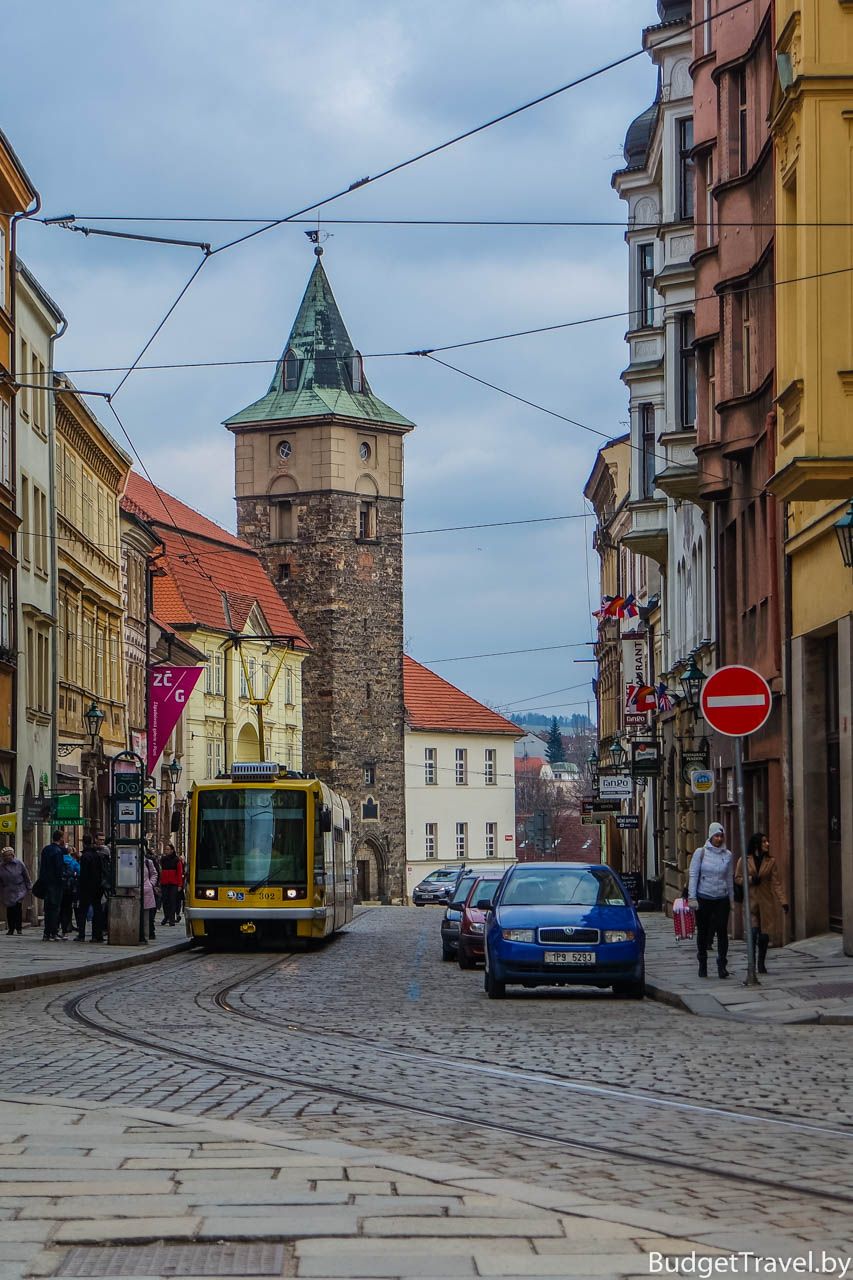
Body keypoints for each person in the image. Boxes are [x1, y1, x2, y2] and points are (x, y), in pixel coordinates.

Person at [736, 832, 789, 974]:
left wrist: (783, 901)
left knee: (764, 936)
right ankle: (751, 962)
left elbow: (776, 883)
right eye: (764, 841)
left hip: (766, 903)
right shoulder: (744, 860)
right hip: (751, 902)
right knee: (753, 933)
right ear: (756, 844)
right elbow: (738, 878)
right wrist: (751, 880)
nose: (767, 844)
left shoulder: (770, 861)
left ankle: (761, 962)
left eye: (767, 841)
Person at [688, 821, 734, 980]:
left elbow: (729, 878)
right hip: (703, 897)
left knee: (722, 930)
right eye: (716, 835)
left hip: (721, 897)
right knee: (703, 931)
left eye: (721, 836)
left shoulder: (727, 855)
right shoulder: (700, 853)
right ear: (710, 836)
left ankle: (722, 964)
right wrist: (692, 897)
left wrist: (732, 898)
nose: (719, 839)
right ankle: (702, 962)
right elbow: (693, 875)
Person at [76, 834, 107, 942]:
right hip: (97, 887)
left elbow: (83, 874)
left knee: (82, 911)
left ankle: (81, 935)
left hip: (86, 887)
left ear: (83, 843)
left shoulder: (85, 856)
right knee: (97, 910)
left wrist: (80, 887)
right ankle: (97, 935)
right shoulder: (97, 855)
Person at [38, 830, 67, 941]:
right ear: (60, 839)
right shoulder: (58, 851)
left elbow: (43, 867)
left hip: (46, 883)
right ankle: (53, 933)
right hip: (55, 884)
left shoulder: (46, 849)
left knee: (47, 909)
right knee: (55, 909)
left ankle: (46, 933)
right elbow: (59, 869)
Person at [0, 846, 30, 935]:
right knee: (10, 909)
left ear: (12, 855)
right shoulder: (1, 866)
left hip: (18, 889)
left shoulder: (19, 863)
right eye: (4, 856)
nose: (6, 857)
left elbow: (26, 875)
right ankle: (11, 928)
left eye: (8, 855)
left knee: (17, 908)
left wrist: (29, 886)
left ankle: (19, 928)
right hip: (7, 890)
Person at [159, 843, 183, 926]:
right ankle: (166, 916)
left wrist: (180, 885)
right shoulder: (163, 859)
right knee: (165, 901)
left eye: (168, 849)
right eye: (165, 849)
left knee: (172, 901)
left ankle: (172, 919)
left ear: (172, 850)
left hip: (173, 884)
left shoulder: (177, 860)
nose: (166, 851)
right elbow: (161, 871)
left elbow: (179, 873)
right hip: (165, 883)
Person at [60, 844, 79, 938]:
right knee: (67, 909)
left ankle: (54, 930)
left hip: (59, 887)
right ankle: (65, 930)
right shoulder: (72, 861)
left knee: (59, 908)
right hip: (69, 888)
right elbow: (79, 871)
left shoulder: (58, 860)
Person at [143, 851, 159, 940]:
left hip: (147, 891)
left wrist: (151, 884)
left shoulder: (148, 862)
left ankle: (148, 933)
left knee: (148, 915)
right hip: (134, 891)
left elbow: (155, 873)